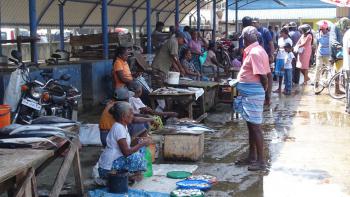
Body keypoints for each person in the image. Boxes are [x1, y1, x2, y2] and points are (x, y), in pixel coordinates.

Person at [234, 26, 271, 171]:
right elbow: (267, 74)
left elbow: (263, 76)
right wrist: (266, 94)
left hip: (253, 93)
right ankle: (252, 156)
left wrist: (265, 92)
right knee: (251, 126)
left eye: (242, 38)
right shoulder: (258, 50)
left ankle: (261, 161)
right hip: (252, 92)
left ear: (246, 38)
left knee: (255, 127)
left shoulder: (255, 52)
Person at [98, 102, 152, 181]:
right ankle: (128, 176)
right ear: (123, 116)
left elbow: (127, 145)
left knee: (141, 149)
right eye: (131, 114)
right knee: (136, 156)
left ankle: (129, 175)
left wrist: (139, 141)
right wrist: (142, 143)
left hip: (114, 162)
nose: (132, 116)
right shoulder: (119, 128)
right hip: (107, 169)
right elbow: (126, 152)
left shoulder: (123, 126)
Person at [252, 18, 274, 106]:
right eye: (252, 23)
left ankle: (267, 97)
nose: (254, 24)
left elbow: (271, 43)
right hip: (257, 56)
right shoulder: (252, 31)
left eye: (255, 23)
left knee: (268, 75)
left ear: (258, 23)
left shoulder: (264, 31)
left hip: (265, 56)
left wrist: (271, 55)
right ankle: (263, 96)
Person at [273, 27, 293, 93]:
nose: (280, 34)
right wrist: (275, 52)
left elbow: (290, 50)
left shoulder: (289, 40)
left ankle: (286, 88)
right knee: (279, 74)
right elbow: (278, 47)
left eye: (281, 33)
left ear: (285, 33)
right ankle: (279, 88)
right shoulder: (280, 39)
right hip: (279, 57)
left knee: (285, 74)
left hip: (284, 58)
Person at [314, 22, 331, 90]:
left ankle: (326, 82)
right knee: (318, 67)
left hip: (328, 54)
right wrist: (315, 52)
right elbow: (317, 44)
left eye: (323, 29)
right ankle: (316, 82)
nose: (322, 30)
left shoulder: (330, 35)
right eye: (321, 29)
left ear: (326, 28)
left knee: (328, 69)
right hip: (320, 53)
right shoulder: (318, 35)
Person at [342, 27, 350, 113]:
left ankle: (347, 107)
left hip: (347, 65)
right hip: (349, 65)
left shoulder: (346, 33)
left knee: (348, 86)